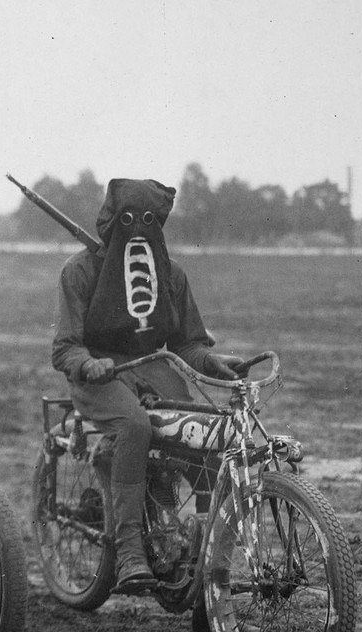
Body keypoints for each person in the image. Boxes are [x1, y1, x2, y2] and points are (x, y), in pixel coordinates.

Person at [51, 178, 242, 595]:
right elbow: (65, 347)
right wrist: (88, 363)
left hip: (156, 369)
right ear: (109, 222)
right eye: (127, 220)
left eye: (149, 221)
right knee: (135, 426)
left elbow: (187, 343)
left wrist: (212, 360)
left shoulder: (170, 275)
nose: (138, 230)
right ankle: (130, 552)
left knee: (206, 444)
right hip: (99, 376)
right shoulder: (80, 271)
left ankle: (204, 570)